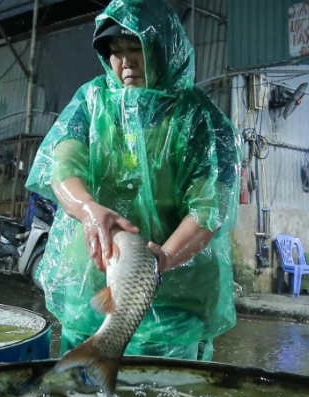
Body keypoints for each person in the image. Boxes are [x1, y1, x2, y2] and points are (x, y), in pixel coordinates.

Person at [25, 0, 241, 361]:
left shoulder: (202, 119)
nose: (125, 62)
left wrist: (163, 260)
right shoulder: (92, 101)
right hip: (93, 287)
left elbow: (209, 209)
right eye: (116, 52)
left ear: (165, 49)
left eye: (136, 48)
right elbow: (62, 166)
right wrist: (89, 210)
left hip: (175, 300)